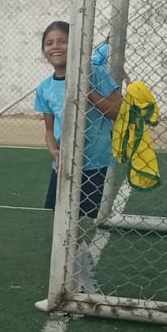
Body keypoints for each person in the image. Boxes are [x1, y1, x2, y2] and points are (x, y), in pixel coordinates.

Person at [34, 21, 121, 218]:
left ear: (75, 45)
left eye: (63, 41)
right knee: (61, 214)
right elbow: (49, 130)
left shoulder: (95, 74)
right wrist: (54, 151)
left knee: (88, 216)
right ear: (44, 51)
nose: (55, 47)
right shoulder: (44, 88)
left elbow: (118, 112)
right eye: (49, 43)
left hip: (94, 162)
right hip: (64, 163)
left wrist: (88, 92)